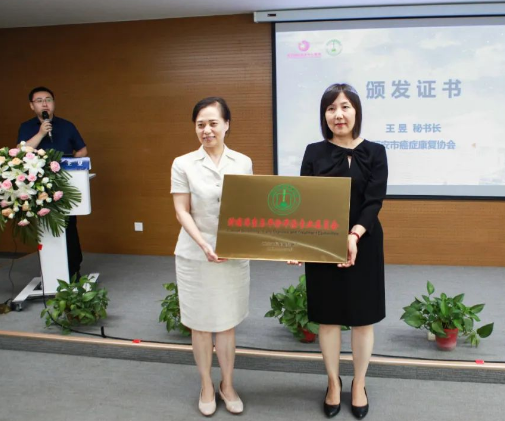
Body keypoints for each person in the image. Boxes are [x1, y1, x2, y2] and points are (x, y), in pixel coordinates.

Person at [292, 83, 388, 419]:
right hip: (322, 242)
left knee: (363, 319)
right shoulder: (313, 152)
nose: (338, 114)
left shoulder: (376, 152)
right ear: (325, 116)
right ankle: (333, 382)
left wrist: (354, 234)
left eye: (345, 106)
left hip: (365, 242)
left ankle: (359, 383)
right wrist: (297, 242)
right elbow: (304, 201)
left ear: (356, 111)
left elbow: (374, 200)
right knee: (328, 318)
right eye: (331, 108)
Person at [171, 97, 253, 416]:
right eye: (200, 124)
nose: (207, 130)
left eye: (213, 123)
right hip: (195, 255)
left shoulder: (242, 162)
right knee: (201, 325)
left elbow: (249, 207)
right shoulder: (183, 163)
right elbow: (181, 210)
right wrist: (205, 244)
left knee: (227, 324)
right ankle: (206, 384)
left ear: (226, 125)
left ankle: (227, 385)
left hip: (232, 254)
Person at [17, 86, 87, 280]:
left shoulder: (67, 126)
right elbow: (20, 152)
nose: (45, 104)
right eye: (39, 101)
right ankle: (50, 271)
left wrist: (72, 166)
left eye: (48, 99)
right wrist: (41, 133)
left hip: (65, 183)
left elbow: (82, 150)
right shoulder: (26, 127)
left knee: (69, 224)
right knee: (45, 226)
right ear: (32, 106)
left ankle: (73, 269)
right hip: (37, 184)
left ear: (54, 103)